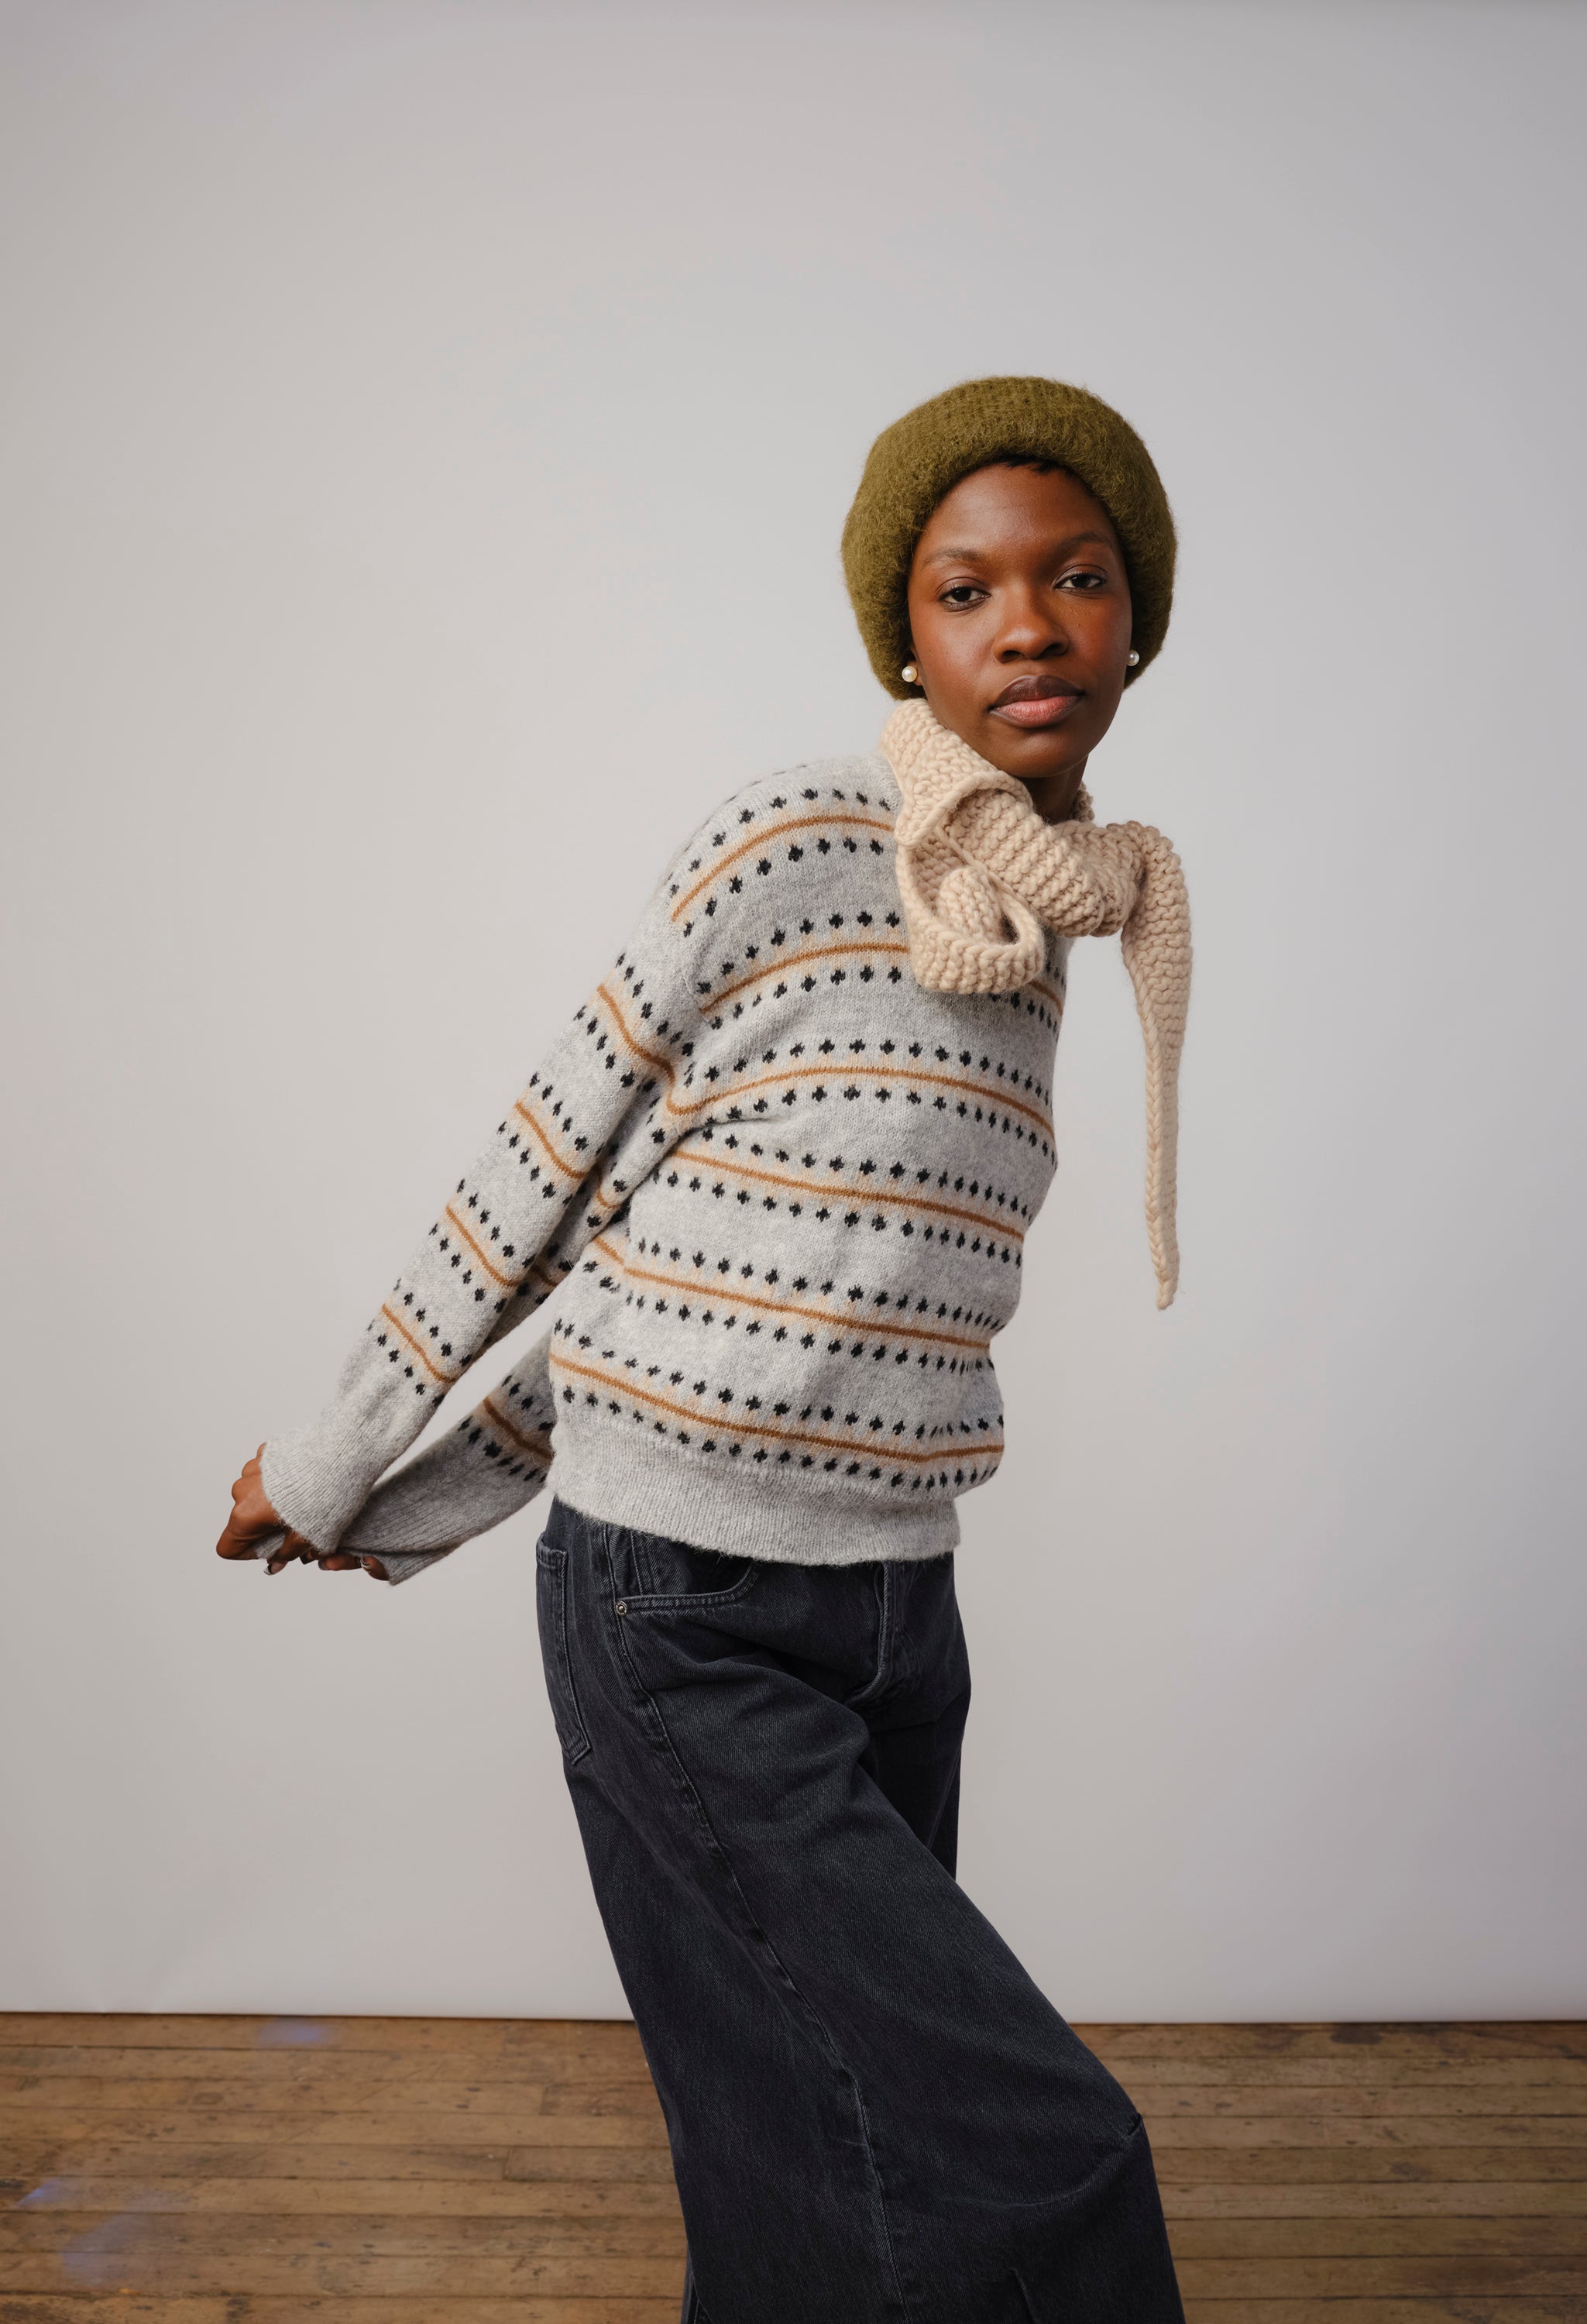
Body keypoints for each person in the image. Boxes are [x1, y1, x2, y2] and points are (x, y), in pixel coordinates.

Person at [218, 375, 1192, 2323]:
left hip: (905, 1610)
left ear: (1135, 625)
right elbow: (548, 1185)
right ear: (902, 641)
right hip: (684, 1613)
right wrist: (344, 1475)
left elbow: (718, 1284)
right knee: (1042, 2152)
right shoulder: (797, 843)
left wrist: (417, 1514)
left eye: (1075, 578)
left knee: (818, 2161)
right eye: (966, 590)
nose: (1025, 626)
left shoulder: (1054, 932)